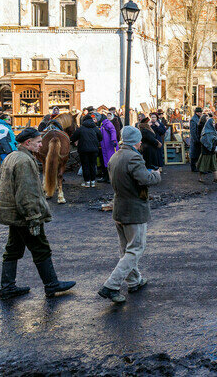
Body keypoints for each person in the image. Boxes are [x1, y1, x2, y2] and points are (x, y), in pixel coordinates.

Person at [0, 127, 75, 300]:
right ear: (28, 143)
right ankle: (52, 284)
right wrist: (34, 217)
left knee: (13, 249)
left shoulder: (13, 156)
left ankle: (7, 287)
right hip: (24, 216)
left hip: (14, 213)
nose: (41, 145)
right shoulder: (24, 161)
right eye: (38, 142)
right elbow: (26, 193)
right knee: (41, 248)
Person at [98, 125, 162, 303]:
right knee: (135, 249)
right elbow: (145, 179)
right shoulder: (134, 157)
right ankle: (111, 285)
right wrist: (156, 174)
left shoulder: (115, 156)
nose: (141, 143)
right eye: (140, 140)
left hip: (119, 208)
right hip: (134, 209)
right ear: (136, 142)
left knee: (126, 249)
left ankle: (134, 281)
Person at [71, 115, 102, 187]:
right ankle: (93, 182)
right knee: (93, 165)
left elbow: (73, 138)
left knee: (85, 165)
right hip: (94, 150)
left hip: (83, 150)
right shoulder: (95, 128)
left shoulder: (80, 129)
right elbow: (101, 138)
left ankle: (87, 182)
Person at [197, 116, 217, 183]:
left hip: (212, 151)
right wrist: (212, 148)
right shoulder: (206, 132)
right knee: (203, 165)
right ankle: (201, 178)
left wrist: (216, 148)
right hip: (206, 152)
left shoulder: (213, 131)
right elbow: (205, 142)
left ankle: (216, 177)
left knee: (214, 164)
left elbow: (215, 140)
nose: (214, 124)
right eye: (213, 123)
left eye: (214, 123)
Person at [99, 112, 119, 183]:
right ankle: (106, 177)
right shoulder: (103, 124)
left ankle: (110, 178)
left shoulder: (106, 123)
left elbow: (113, 130)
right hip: (105, 146)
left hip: (110, 146)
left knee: (110, 161)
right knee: (106, 162)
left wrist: (113, 140)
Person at [188, 107, 203, 172]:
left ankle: (196, 166)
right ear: (197, 112)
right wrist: (196, 139)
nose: (201, 113)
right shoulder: (194, 119)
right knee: (194, 153)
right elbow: (193, 131)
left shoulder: (198, 118)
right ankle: (193, 167)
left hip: (197, 138)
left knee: (197, 153)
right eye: (200, 112)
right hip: (195, 139)